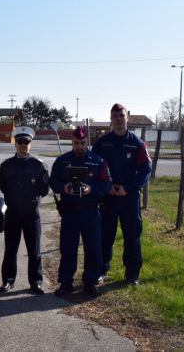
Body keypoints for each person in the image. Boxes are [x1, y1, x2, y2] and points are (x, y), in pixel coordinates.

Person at [91, 103, 152, 285]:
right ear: (111, 119)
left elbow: (146, 168)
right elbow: (94, 168)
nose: (119, 119)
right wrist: (105, 187)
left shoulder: (137, 143)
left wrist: (129, 187)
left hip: (129, 197)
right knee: (105, 236)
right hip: (108, 197)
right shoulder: (102, 143)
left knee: (132, 236)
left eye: (121, 115)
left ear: (127, 118)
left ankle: (132, 274)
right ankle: (102, 270)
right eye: (115, 116)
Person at [50, 127, 112, 296]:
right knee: (68, 248)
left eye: (82, 143)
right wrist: (64, 186)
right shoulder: (62, 161)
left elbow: (106, 184)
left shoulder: (98, 161)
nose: (79, 146)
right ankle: (66, 282)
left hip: (90, 212)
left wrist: (90, 188)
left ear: (87, 143)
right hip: (70, 212)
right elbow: (53, 181)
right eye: (76, 143)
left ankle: (90, 282)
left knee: (93, 248)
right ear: (72, 142)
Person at [0, 126, 50, 294]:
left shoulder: (38, 165)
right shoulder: (6, 165)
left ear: (30, 144)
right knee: (10, 249)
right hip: (12, 213)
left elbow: (44, 189)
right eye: (20, 142)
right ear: (15, 144)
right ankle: (8, 280)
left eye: (26, 142)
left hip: (31, 213)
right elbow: (3, 186)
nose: (23, 145)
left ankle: (36, 282)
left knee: (34, 250)